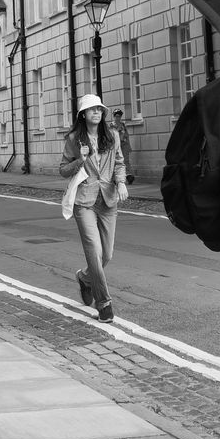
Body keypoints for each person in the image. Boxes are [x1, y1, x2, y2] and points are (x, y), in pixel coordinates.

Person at [58, 94, 128, 322]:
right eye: (91, 109)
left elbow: (119, 162)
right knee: (94, 251)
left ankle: (85, 278)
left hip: (107, 200)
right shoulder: (73, 139)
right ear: (83, 115)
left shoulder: (113, 135)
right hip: (84, 201)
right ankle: (104, 303)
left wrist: (121, 182)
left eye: (99, 109)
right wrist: (80, 159)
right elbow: (63, 170)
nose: (96, 112)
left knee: (106, 255)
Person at [112, 107, 136, 184]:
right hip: (116, 146)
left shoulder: (123, 124)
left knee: (126, 160)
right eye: (116, 116)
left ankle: (129, 176)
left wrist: (129, 146)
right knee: (116, 161)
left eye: (119, 116)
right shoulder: (112, 125)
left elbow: (126, 135)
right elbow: (111, 136)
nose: (118, 118)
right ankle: (116, 177)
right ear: (114, 117)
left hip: (124, 144)